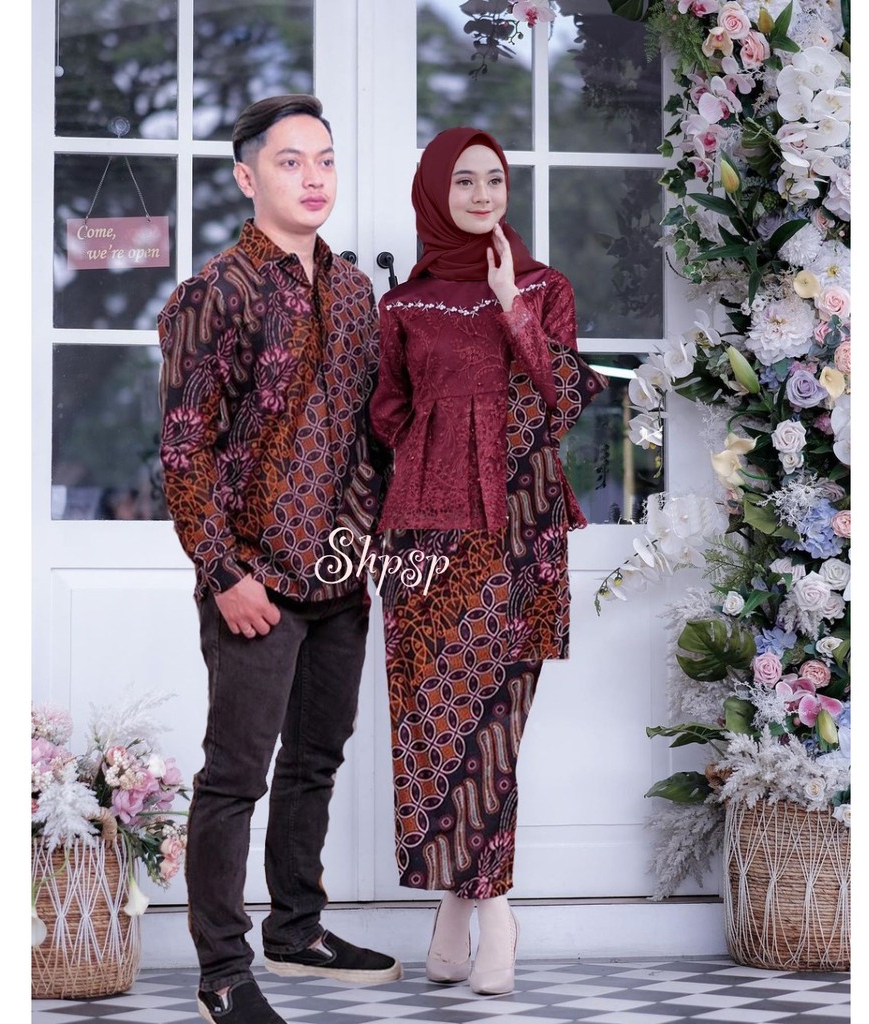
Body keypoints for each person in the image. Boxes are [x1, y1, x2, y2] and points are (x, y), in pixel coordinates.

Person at [158, 94, 399, 1024]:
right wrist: (223, 574)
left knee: (316, 760)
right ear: (246, 176)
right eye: (291, 161)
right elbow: (184, 452)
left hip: (339, 575)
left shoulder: (353, 292)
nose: (313, 177)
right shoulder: (214, 293)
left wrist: (366, 539)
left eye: (325, 160)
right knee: (234, 778)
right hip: (252, 579)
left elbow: (365, 434)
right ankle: (223, 971)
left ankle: (296, 930)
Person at [369, 127, 608, 995]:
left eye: (494, 180)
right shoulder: (404, 305)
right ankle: (459, 911)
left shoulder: (544, 287)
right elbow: (387, 414)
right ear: (435, 193)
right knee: (432, 725)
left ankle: (489, 914)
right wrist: (434, 453)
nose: (481, 195)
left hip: (519, 528)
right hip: (424, 537)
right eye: (463, 181)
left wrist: (512, 308)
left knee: (495, 724)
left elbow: (567, 399)